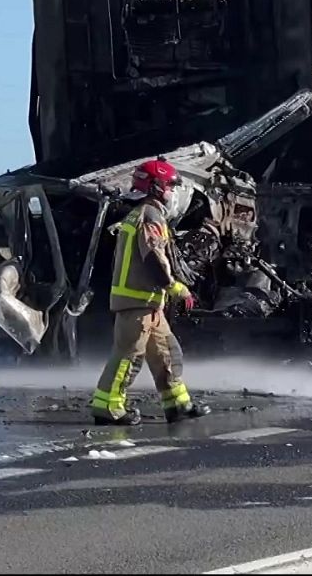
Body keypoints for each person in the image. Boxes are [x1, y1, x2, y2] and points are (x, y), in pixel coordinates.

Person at [89, 159, 212, 427]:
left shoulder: (143, 213)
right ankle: (108, 407)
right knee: (128, 357)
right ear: (156, 187)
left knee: (167, 353)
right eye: (170, 186)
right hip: (137, 303)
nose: (172, 193)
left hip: (148, 304)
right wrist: (175, 286)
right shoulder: (149, 215)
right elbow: (153, 257)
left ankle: (177, 404)